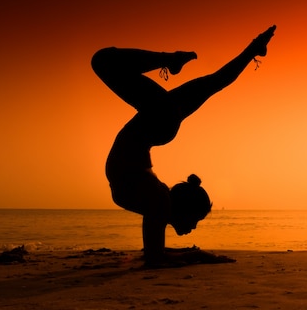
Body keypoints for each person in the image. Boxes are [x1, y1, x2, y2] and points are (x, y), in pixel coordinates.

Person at [91, 25, 276, 267]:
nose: (194, 227)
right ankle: (175, 59)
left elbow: (153, 254)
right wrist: (198, 256)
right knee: (103, 61)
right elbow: (155, 260)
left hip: (158, 123)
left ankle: (250, 47)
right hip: (158, 122)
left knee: (214, 83)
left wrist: (188, 252)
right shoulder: (158, 201)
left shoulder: (157, 202)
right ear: (184, 210)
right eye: (196, 219)